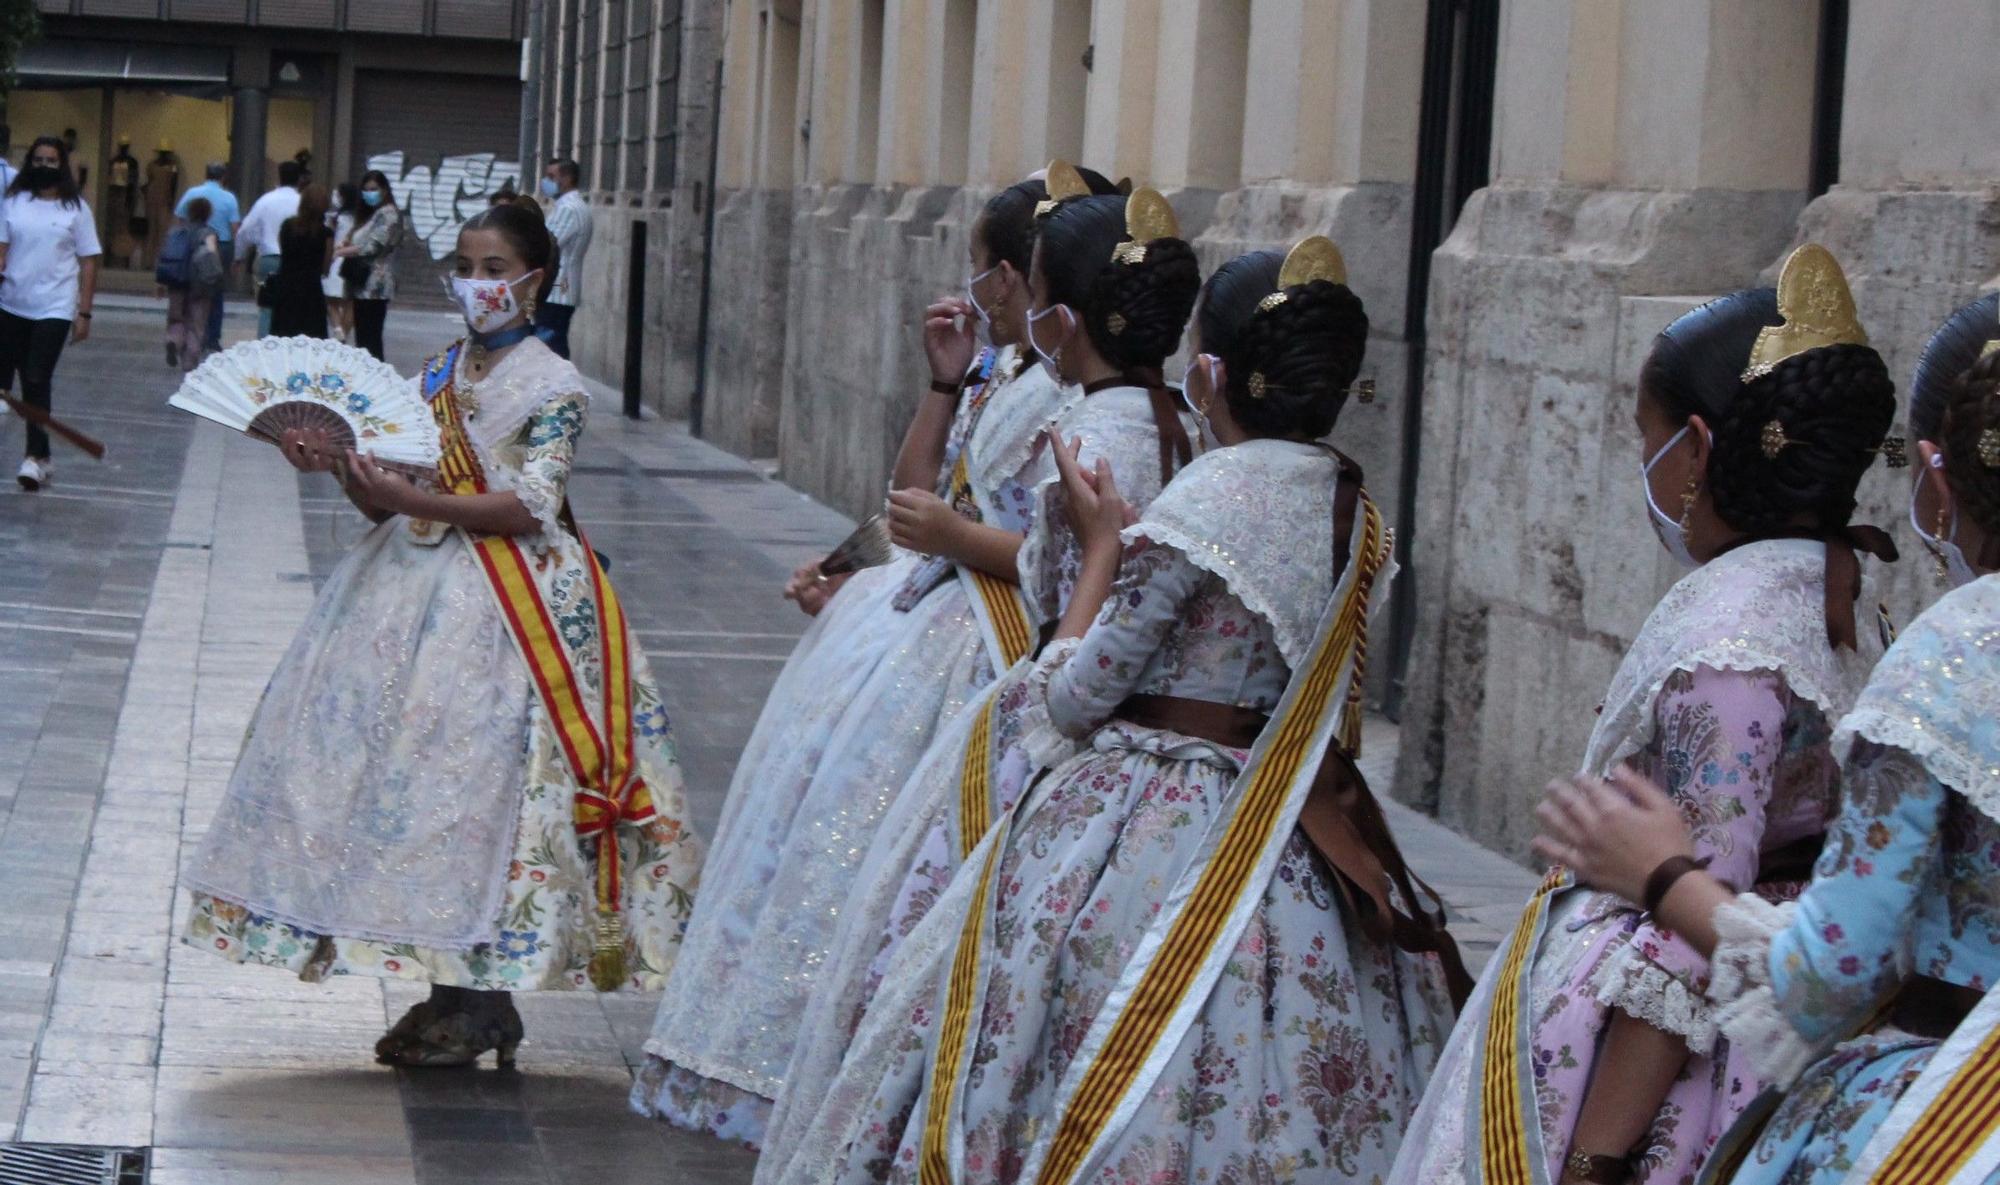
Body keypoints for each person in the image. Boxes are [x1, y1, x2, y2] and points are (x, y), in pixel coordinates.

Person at [1386, 243, 1903, 1185]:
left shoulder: (1734, 642)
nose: (1645, 463)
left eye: (1644, 436)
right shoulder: (1837, 585)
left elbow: (1692, 918)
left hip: (1690, 1062)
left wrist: (1597, 1155)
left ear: (1697, 450)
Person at [632, 164, 1122, 1147]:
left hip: (991, 644)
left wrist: (951, 538)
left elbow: (1070, 558)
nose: (982, 291)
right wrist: (942, 382)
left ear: (1034, 285)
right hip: (925, 612)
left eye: (995, 275)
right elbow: (914, 498)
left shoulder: (1095, 408)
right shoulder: (1004, 377)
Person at [754, 186, 1211, 1185]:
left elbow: (1090, 595)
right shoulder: (1142, 417)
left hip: (1056, 705)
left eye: (1030, 286)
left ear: (1058, 310)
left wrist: (972, 548)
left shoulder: (1098, 432)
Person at [182, 201, 704, 1066]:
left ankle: (484, 996)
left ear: (537, 278)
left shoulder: (554, 384)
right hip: (404, 590)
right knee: (412, 794)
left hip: (514, 611)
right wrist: (341, 467)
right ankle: (447, 987)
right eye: (465, 264)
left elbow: (528, 505)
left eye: (494, 265)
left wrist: (406, 499)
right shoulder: (435, 375)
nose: (477, 282)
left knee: (492, 794)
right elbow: (382, 489)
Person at [1533, 292, 2000, 1185]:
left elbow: (1832, 974)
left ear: (1938, 473)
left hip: (1950, 1109)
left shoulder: (1949, 652)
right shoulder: (1853, 602)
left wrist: (1664, 875)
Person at [0, 136, 101, 492]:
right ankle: (41, 455)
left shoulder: (76, 210)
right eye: (38, 159)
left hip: (55, 306)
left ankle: (35, 457)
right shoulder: (14, 202)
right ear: (30, 162)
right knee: (10, 381)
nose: (45, 166)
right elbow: (2, 250)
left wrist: (84, 312)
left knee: (36, 377)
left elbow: (89, 261)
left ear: (63, 164)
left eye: (51, 160)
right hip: (12, 302)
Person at [334, 169, 402, 360]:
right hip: (362, 283)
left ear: (384, 189)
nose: (369, 193)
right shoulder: (372, 214)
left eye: (374, 189)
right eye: (366, 189)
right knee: (363, 337)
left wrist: (339, 252)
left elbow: (372, 246)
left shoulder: (388, 214)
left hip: (375, 284)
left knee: (370, 337)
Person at [175, 163, 240, 352]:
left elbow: (179, 218)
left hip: (194, 243)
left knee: (192, 289)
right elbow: (235, 227)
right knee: (216, 292)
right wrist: (238, 255)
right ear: (223, 177)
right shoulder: (229, 198)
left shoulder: (192, 193)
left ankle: (192, 333)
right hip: (221, 246)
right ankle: (213, 337)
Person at [239, 160, 306, 337]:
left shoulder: (266, 200)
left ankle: (265, 345)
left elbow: (246, 228)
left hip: (268, 258)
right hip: (296, 261)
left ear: (279, 176)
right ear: (299, 179)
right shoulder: (302, 202)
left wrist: (239, 254)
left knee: (266, 308)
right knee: (293, 307)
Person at [533, 159, 590, 359]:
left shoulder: (569, 209)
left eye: (551, 177)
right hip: (557, 290)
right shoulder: (567, 206)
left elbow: (547, 246)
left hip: (557, 289)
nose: (546, 182)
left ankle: (560, 388)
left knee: (550, 344)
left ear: (567, 179)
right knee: (551, 344)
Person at [160, 196, 223, 372]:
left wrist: (161, 283)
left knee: (176, 318)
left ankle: (173, 340)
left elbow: (165, 255)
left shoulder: (177, 232)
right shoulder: (208, 233)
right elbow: (211, 255)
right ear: (208, 214)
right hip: (200, 285)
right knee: (196, 324)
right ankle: (189, 362)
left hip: (176, 281)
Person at [267, 182, 331, 338]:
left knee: (283, 335)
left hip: (286, 287)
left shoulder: (288, 226)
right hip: (312, 290)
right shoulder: (326, 233)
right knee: (312, 338)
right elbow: (325, 268)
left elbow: (283, 251)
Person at [322, 183, 359, 343]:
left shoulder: (335, 218)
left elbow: (329, 240)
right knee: (350, 303)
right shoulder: (361, 218)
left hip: (336, 259)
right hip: (354, 260)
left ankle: (337, 328)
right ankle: (343, 333)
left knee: (331, 300)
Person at [142, 142, 179, 267]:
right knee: (151, 231)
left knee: (163, 232)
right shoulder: (151, 165)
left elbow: (174, 184)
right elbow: (149, 180)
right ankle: (148, 262)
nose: (164, 155)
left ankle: (161, 262)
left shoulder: (173, 166)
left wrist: (171, 201)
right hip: (152, 199)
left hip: (165, 199)